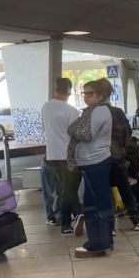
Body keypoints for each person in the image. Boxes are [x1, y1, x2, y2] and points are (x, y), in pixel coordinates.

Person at [68, 79, 113, 258]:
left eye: (90, 93)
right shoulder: (94, 111)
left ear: (100, 96)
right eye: (84, 93)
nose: (86, 97)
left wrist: (71, 128)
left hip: (97, 162)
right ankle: (101, 241)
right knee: (94, 204)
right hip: (92, 162)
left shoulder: (100, 111)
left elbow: (86, 133)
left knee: (96, 205)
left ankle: (99, 243)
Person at [98, 79, 139, 231]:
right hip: (117, 156)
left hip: (99, 158)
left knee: (104, 191)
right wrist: (120, 145)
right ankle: (136, 221)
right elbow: (127, 133)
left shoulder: (92, 113)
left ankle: (110, 227)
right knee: (125, 190)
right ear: (110, 94)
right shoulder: (117, 112)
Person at [42, 77, 83, 236]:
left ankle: (70, 221)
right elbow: (76, 136)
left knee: (66, 190)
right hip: (68, 156)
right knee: (68, 191)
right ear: (69, 92)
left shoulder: (46, 107)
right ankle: (74, 217)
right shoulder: (71, 111)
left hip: (51, 156)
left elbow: (44, 129)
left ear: (55, 90)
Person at [40, 157, 60, 225]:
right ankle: (53, 215)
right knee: (50, 192)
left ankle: (54, 215)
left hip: (53, 162)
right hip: (51, 163)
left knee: (49, 192)